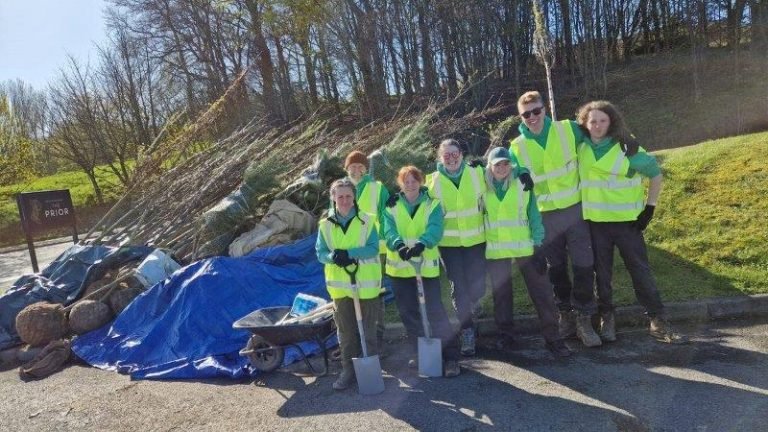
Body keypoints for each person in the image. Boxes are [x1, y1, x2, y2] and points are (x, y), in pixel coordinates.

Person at [575, 100, 687, 344]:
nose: (597, 125)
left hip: (628, 224)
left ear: (611, 121)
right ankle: (607, 318)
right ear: (584, 123)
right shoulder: (580, 146)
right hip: (596, 223)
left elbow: (655, 174)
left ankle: (657, 320)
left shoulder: (626, 147)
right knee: (602, 276)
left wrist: (650, 208)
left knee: (640, 271)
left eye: (603, 120)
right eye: (592, 121)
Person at [509, 91, 602, 348]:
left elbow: (600, 136)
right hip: (545, 216)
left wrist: (625, 142)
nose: (532, 117)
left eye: (536, 111)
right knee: (557, 268)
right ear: (520, 117)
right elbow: (506, 172)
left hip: (574, 210)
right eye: (526, 114)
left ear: (545, 109)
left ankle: (584, 316)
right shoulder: (516, 146)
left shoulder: (568, 129)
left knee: (584, 264)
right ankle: (566, 314)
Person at [483, 146, 572, 357]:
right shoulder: (481, 185)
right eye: (497, 164)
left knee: (542, 293)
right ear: (490, 166)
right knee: (501, 296)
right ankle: (506, 336)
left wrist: (539, 244)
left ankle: (554, 338)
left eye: (506, 163)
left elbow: (534, 214)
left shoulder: (523, 183)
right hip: (496, 251)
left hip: (526, 247)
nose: (502, 168)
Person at [382, 166, 461, 376]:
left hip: (425, 268)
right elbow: (388, 229)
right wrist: (398, 244)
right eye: (406, 181)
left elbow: (436, 228)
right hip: (400, 270)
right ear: (400, 183)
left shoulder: (432, 204)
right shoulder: (392, 206)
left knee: (436, 312)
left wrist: (422, 243)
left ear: (421, 182)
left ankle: (451, 357)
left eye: (414, 180)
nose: (410, 185)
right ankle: (420, 353)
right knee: (409, 314)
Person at [315, 178, 382, 390]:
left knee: (368, 330)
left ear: (354, 198)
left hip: (366, 285)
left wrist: (351, 254)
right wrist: (334, 256)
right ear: (333, 198)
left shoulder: (367, 220)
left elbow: (373, 248)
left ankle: (371, 368)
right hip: (340, 288)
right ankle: (348, 371)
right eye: (340, 196)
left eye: (348, 196)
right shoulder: (325, 225)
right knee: (346, 332)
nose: (344, 200)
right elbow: (320, 253)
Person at [425, 139, 487, 356]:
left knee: (478, 285)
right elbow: (414, 197)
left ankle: (474, 303)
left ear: (462, 154)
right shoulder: (431, 182)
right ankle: (467, 330)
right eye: (446, 155)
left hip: (476, 239)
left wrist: (521, 173)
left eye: (454, 153)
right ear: (440, 159)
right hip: (449, 244)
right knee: (458, 286)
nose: (451, 158)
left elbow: (503, 173)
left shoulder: (478, 173)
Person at [344, 150, 390, 351]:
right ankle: (358, 339)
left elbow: (387, 216)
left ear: (366, 168)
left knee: (374, 293)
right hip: (350, 251)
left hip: (374, 250)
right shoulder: (340, 189)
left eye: (360, 167)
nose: (356, 170)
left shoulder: (377, 188)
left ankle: (377, 338)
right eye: (352, 167)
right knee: (353, 293)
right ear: (346, 169)